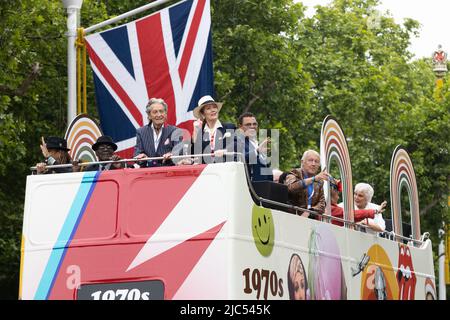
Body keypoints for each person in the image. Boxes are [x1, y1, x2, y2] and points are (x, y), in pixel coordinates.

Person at [134, 98, 184, 167]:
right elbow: (137, 154)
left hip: (169, 172)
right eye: (155, 112)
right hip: (148, 173)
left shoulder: (175, 131)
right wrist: (142, 157)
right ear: (149, 115)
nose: (159, 114)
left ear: (165, 114)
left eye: (161, 111)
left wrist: (172, 154)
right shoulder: (141, 132)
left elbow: (180, 150)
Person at [284, 150, 329, 218]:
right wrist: (313, 179)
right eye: (310, 160)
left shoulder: (319, 181)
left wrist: (309, 212)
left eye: (316, 161)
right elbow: (291, 188)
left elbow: (322, 204)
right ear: (302, 162)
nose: (313, 164)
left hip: (310, 218)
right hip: (292, 216)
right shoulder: (294, 173)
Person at [191, 95, 236, 163]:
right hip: (207, 170)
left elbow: (237, 144)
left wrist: (224, 151)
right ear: (203, 114)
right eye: (208, 108)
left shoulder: (229, 127)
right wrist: (196, 131)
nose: (213, 110)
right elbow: (194, 154)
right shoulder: (200, 133)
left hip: (226, 168)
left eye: (214, 107)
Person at [234, 112, 272, 181]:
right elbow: (240, 159)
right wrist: (257, 151)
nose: (252, 126)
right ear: (240, 127)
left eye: (254, 124)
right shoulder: (237, 141)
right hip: (249, 186)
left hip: (265, 186)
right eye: (248, 124)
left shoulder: (259, 143)